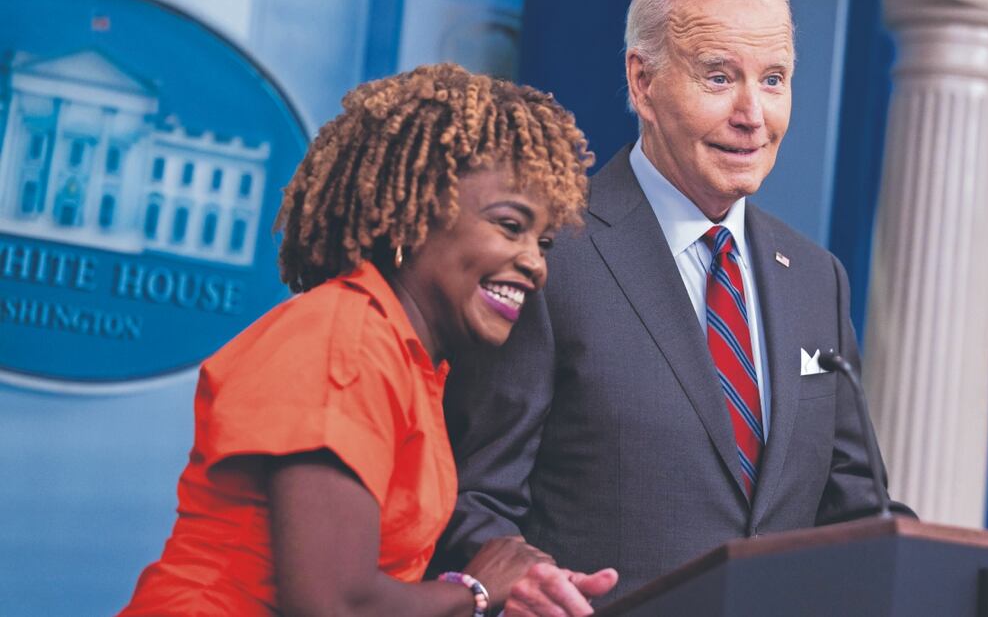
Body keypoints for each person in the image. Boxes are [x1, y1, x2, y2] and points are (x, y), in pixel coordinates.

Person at [433, 0, 914, 609]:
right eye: (719, 77)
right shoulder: (550, 253)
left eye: (773, 80)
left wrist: (923, 559)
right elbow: (471, 496)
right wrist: (522, 581)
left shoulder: (814, 279)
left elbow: (852, 513)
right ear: (642, 83)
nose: (752, 114)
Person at [120, 63, 616, 616]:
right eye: (508, 225)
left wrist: (512, 590)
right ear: (412, 218)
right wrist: (474, 590)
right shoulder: (343, 338)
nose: (534, 264)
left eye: (543, 242)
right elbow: (334, 606)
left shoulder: (411, 361)